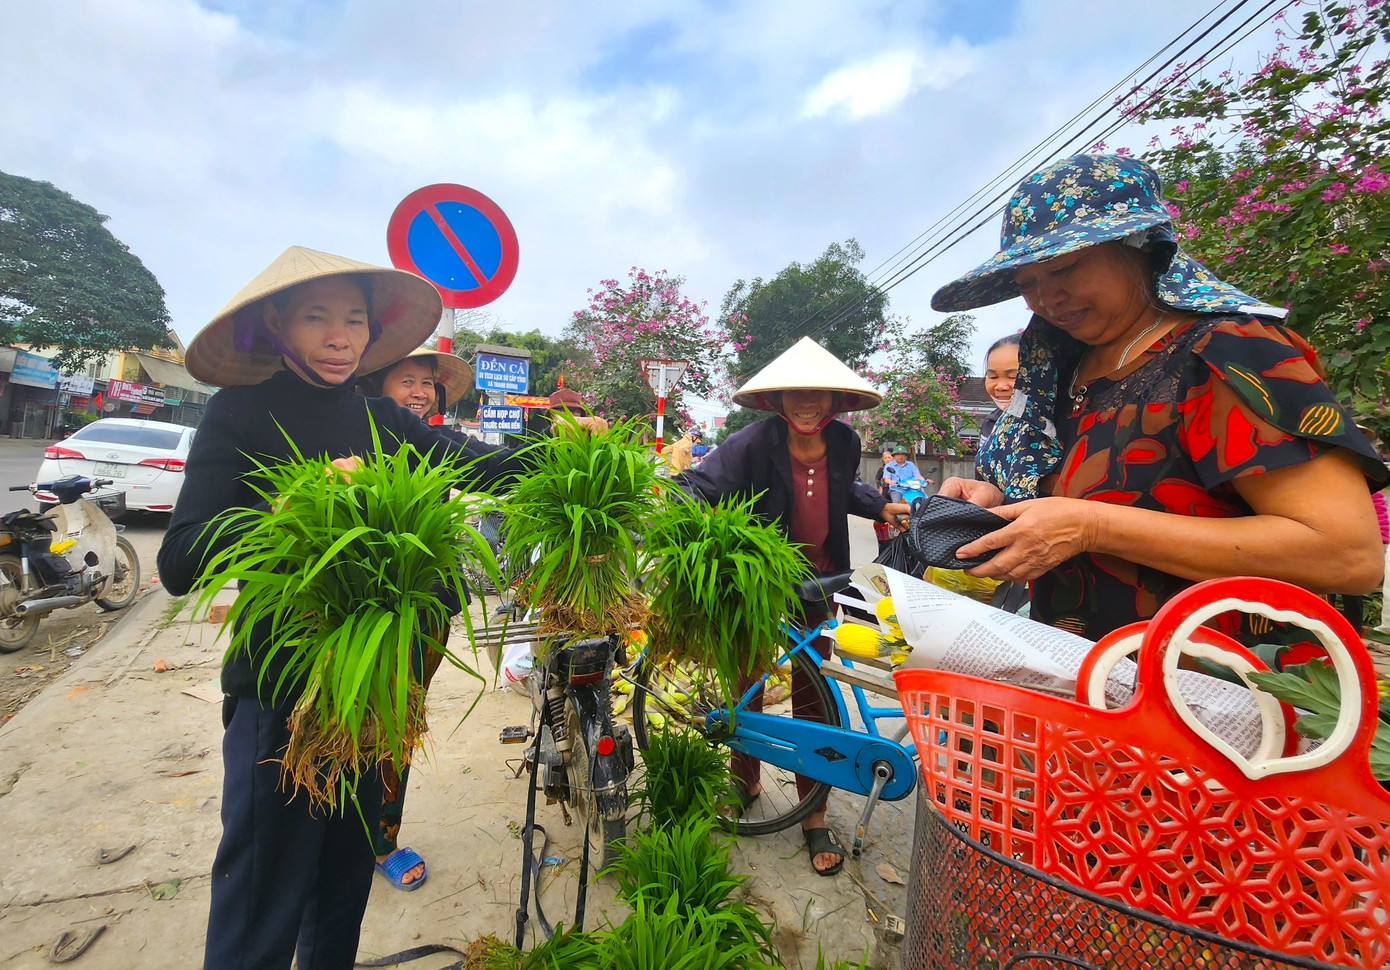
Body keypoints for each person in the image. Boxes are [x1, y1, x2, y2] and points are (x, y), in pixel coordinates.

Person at [157, 246, 524, 970]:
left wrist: (574, 458)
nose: (340, 337)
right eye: (317, 317)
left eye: (354, 320)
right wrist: (293, 504)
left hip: (372, 696)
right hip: (281, 693)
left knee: (343, 883)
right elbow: (178, 560)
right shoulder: (242, 411)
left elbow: (478, 461)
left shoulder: (381, 415)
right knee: (263, 894)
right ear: (277, 325)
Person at [929, 154, 1386, 642]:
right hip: (1087, 681)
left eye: (1064, 269)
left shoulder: (1228, 352)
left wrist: (1092, 527)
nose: (1047, 299)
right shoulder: (1060, 372)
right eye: (1028, 285)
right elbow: (1102, 498)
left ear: (1139, 248)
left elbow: (1346, 555)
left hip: (1219, 688)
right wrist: (1003, 507)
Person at [675, 336, 909, 876]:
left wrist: (884, 504)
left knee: (814, 694)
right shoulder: (750, 444)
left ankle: (813, 812)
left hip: (820, 582)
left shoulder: (845, 441)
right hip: (758, 586)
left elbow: (844, 489)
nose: (809, 403)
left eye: (819, 394)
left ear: (835, 401)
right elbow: (694, 487)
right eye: (797, 394)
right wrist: (704, 536)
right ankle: (744, 781)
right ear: (777, 401)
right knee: (746, 684)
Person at [353, 347, 474, 890]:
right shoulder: (355, 437)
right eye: (408, 380)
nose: (421, 392)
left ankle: (382, 841)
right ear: (376, 384)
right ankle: (332, 836)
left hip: (422, 609)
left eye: (428, 383)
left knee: (399, 722)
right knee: (343, 722)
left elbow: (489, 459)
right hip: (357, 612)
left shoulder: (434, 443)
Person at [977, 333, 1021, 445]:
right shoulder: (991, 422)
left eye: (1013, 377)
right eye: (993, 377)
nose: (1001, 387)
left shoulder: (1052, 425)